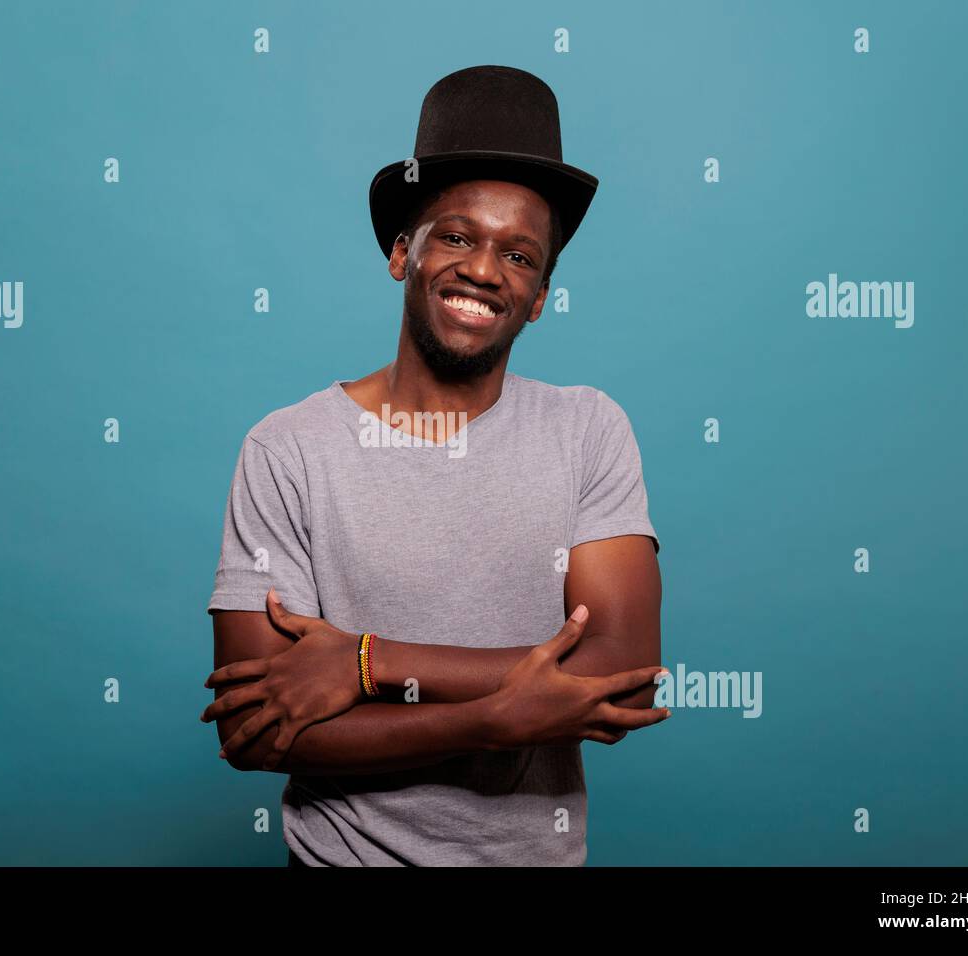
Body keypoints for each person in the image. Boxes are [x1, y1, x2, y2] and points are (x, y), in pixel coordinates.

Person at [202, 65, 669, 866]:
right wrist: (488, 719)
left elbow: (622, 678)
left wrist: (363, 661)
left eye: (520, 256)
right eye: (456, 236)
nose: (485, 270)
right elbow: (253, 733)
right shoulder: (287, 449)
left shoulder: (589, 429)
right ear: (399, 253)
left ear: (540, 297)